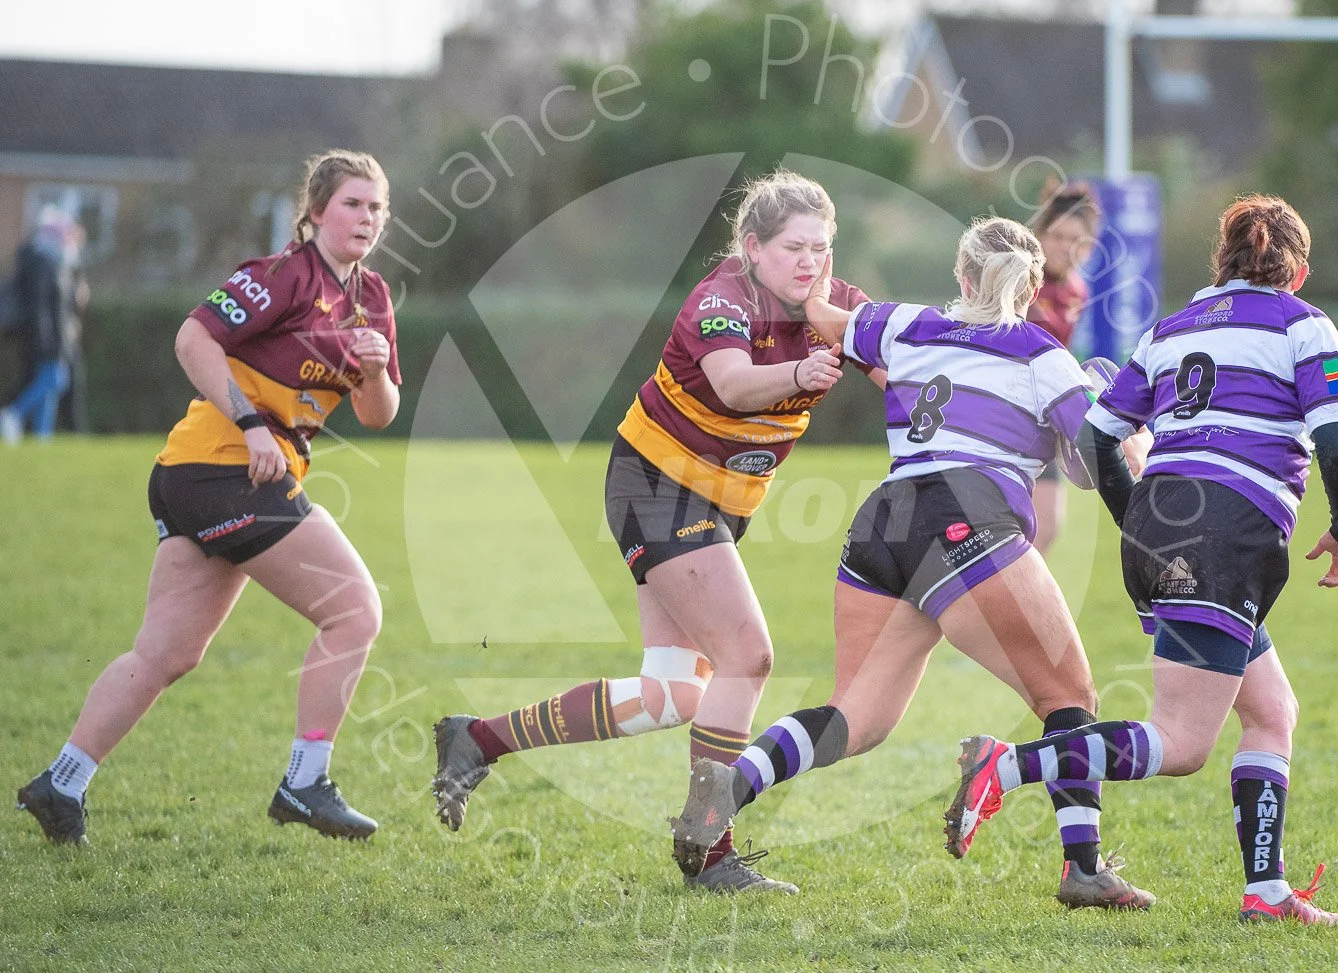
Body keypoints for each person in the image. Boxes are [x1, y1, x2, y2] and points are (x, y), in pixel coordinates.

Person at [669, 216, 1155, 909]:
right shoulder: (1043, 356)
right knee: (1069, 699)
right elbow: (1094, 466)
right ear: (1031, 285)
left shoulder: (899, 324)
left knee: (855, 718)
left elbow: (827, 317)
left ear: (962, 277)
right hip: (967, 521)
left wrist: (793, 267)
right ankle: (1083, 870)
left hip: (885, 522)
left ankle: (730, 785)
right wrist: (1133, 433)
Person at [431, 169, 872, 893]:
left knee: (671, 695)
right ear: (752, 247)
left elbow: (904, 352)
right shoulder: (720, 301)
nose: (810, 263)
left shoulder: (831, 302)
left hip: (723, 501)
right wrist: (805, 367)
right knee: (748, 657)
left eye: (821, 249)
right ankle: (709, 845)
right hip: (658, 487)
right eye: (795, 247)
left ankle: (476, 739)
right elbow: (732, 384)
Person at [944, 195, 1338, 925]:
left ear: (1222, 263)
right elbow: (1337, 445)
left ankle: (1265, 892)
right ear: (1295, 272)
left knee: (1271, 711)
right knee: (1182, 742)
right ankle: (1003, 768)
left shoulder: (1170, 329)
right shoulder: (1304, 325)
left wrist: (1139, 523)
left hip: (1166, 528)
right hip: (1228, 538)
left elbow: (1104, 438)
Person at [16, 150, 401, 845]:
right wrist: (251, 423)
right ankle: (304, 781)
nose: (366, 218)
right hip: (219, 467)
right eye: (351, 203)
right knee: (355, 609)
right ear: (315, 211)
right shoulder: (281, 275)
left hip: (215, 477)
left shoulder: (371, 299)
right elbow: (193, 336)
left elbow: (379, 414)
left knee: (167, 652)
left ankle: (60, 782)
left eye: (375, 207)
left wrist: (374, 372)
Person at [1026, 181, 1101, 554]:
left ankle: (1009, 609)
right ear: (1037, 236)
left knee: (1047, 526)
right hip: (1000, 414)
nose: (1064, 246)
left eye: (1075, 239)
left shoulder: (1076, 291)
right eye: (1055, 236)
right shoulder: (1019, 282)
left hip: (1042, 417)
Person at [0, 206, 87, 444]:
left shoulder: (55, 264)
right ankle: (13, 413)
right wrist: (48, 340)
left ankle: (42, 437)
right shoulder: (44, 264)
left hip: (52, 337)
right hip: (45, 339)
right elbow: (42, 309)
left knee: (51, 387)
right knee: (55, 379)